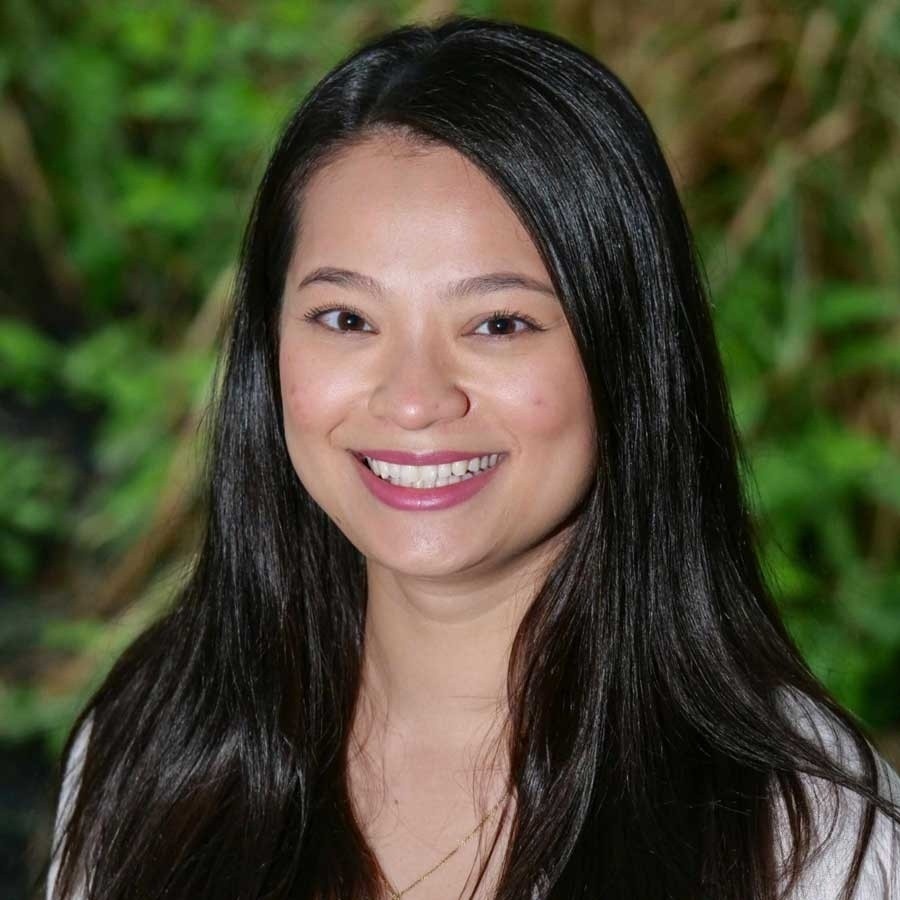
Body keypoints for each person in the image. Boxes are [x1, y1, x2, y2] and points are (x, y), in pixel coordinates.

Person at [44, 14, 900, 900]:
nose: (414, 399)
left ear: (627, 353)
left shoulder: (803, 835)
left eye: (498, 324)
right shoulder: (155, 751)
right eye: (346, 319)